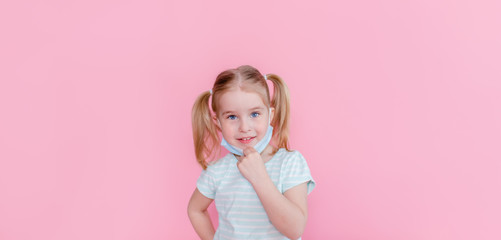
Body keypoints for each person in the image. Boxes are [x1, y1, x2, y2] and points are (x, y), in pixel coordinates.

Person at [187, 65, 315, 240]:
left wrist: (259, 177)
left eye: (254, 114)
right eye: (232, 117)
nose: (244, 127)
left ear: (270, 115)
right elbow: (195, 209)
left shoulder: (290, 163)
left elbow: (295, 229)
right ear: (217, 121)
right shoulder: (217, 171)